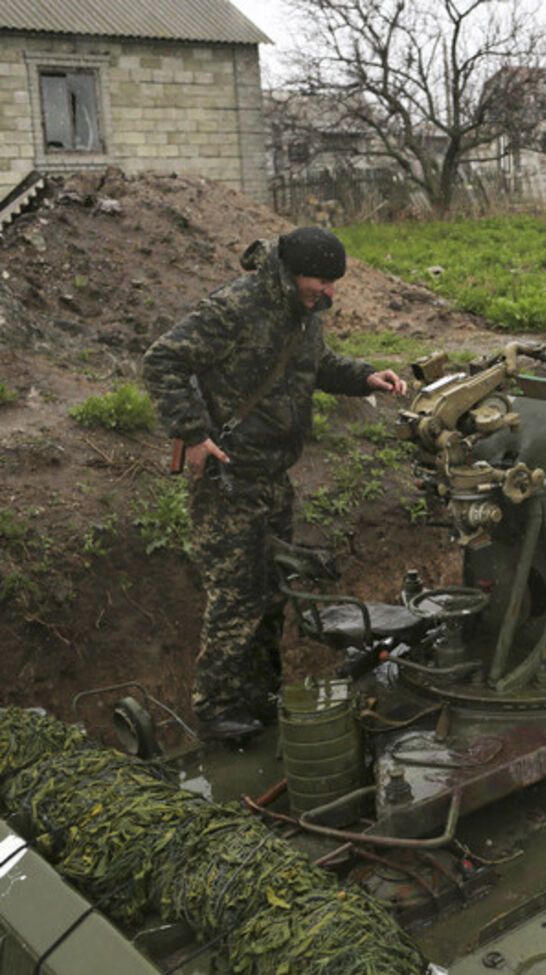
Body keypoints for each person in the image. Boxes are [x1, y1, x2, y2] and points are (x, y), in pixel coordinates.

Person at [143, 227, 407, 740]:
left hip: (272, 476)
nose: (329, 292)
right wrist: (192, 434)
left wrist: (364, 377)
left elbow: (316, 364)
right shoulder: (236, 307)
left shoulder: (303, 313)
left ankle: (261, 696)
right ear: (293, 273)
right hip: (228, 476)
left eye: (333, 283)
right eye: (322, 281)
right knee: (236, 595)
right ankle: (217, 709)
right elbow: (162, 360)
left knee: (272, 594)